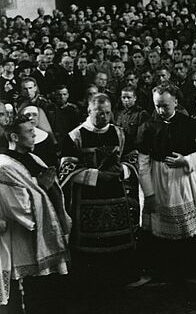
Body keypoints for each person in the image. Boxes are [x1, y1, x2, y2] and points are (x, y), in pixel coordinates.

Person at [59, 94, 141, 292]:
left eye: (107, 113)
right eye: (99, 113)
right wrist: (96, 175)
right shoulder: (75, 136)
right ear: (89, 111)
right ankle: (90, 280)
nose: (104, 117)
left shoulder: (120, 134)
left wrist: (123, 169)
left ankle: (120, 277)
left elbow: (133, 157)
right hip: (88, 197)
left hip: (116, 194)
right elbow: (67, 168)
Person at [0, 115, 71, 313]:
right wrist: (42, 186)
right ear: (14, 137)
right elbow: (18, 207)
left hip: (41, 237)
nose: (34, 136)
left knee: (47, 291)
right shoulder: (5, 166)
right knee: (29, 294)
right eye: (29, 133)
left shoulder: (33, 157)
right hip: (21, 238)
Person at [137, 82, 196, 281]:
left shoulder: (190, 124)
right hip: (157, 180)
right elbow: (143, 163)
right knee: (159, 229)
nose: (160, 110)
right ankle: (163, 272)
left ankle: (186, 271)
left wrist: (186, 160)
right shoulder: (148, 127)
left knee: (185, 228)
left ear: (176, 101)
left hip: (183, 181)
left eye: (165, 105)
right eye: (157, 105)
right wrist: (148, 192)